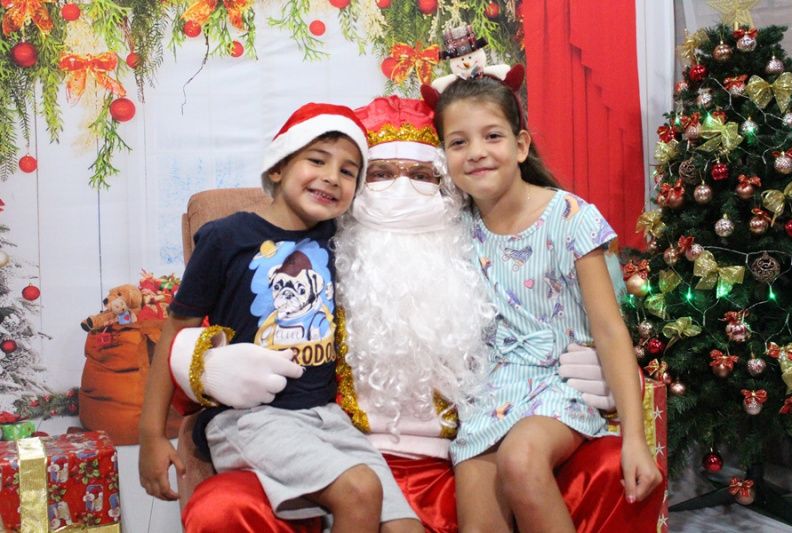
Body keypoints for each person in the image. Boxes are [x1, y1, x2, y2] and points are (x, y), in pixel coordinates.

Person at [168, 96, 649, 532]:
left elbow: (571, 309)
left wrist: (595, 369)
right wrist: (202, 365)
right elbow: (229, 320)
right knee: (223, 508)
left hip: (459, 448)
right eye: (381, 174)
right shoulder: (319, 246)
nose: (402, 188)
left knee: (594, 467)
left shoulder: (467, 236)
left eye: (421, 176)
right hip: (338, 451)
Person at [138, 102, 423, 533]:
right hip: (250, 420)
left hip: (327, 416)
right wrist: (151, 435)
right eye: (317, 160)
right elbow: (176, 333)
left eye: (348, 171)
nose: (332, 176)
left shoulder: (340, 239)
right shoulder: (226, 237)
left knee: (405, 527)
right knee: (359, 489)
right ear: (277, 167)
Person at [431, 73, 664, 531]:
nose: (475, 151)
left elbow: (609, 329)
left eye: (492, 136)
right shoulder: (454, 230)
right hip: (489, 393)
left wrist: (635, 438)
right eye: (458, 142)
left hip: (561, 380)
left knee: (520, 458)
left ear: (521, 146)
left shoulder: (570, 218)